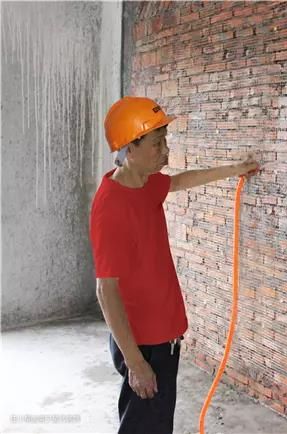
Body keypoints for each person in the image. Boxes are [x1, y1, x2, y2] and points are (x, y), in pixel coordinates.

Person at [89, 96, 259, 434]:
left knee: (156, 423)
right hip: (144, 344)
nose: (165, 150)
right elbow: (105, 292)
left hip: (162, 336)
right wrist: (136, 363)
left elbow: (180, 181)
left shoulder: (145, 183)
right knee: (144, 427)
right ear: (130, 148)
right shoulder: (111, 206)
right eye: (157, 143)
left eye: (164, 140)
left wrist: (235, 169)